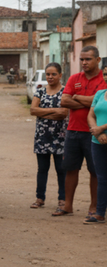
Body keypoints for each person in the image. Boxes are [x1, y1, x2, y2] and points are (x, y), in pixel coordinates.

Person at [55, 46, 107, 217]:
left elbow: (98, 100)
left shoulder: (104, 78)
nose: (84, 63)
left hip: (95, 133)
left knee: (96, 171)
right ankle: (67, 205)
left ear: (98, 60)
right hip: (73, 131)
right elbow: (64, 100)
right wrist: (88, 102)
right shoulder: (74, 78)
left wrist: (77, 97)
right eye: (82, 59)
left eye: (88, 59)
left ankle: (94, 207)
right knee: (70, 168)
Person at [29, 63, 68, 210]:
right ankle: (40, 198)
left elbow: (63, 113)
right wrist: (54, 111)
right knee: (42, 168)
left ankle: (62, 199)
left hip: (60, 136)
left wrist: (43, 111)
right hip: (42, 137)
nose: (50, 77)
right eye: (48, 74)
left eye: (53, 74)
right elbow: (33, 110)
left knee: (61, 169)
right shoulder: (40, 91)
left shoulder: (65, 92)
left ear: (60, 75)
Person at [86, 65, 107, 224]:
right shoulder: (100, 94)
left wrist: (102, 128)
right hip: (97, 141)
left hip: (101, 135)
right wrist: (97, 132)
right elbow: (91, 115)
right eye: (105, 74)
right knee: (101, 177)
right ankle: (99, 212)